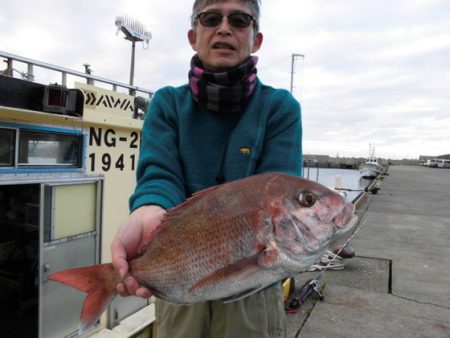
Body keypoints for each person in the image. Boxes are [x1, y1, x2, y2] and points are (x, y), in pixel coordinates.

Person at [111, 0, 302, 337]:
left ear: (256, 39)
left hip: (255, 287)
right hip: (183, 284)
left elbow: (280, 196)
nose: (224, 28)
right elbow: (160, 176)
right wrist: (147, 211)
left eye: (240, 20)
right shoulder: (167, 103)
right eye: (211, 18)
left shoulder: (279, 108)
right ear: (193, 35)